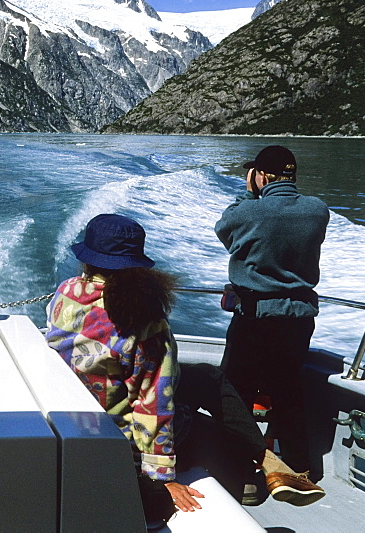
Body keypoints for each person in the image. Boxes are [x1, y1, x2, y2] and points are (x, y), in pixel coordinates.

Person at [46, 214, 321, 524]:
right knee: (211, 432)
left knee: (207, 376)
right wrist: (160, 477)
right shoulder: (145, 324)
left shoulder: (66, 293)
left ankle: (267, 461)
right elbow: (153, 407)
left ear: (88, 259)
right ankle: (254, 478)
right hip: (119, 434)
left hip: (85, 408)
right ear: (136, 265)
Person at [215, 144, 329, 505]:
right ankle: (300, 468)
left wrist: (247, 193)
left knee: (235, 391)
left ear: (261, 175)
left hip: (255, 317)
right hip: (298, 319)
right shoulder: (317, 211)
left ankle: (247, 474)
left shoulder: (250, 210)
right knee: (288, 389)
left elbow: (225, 231)